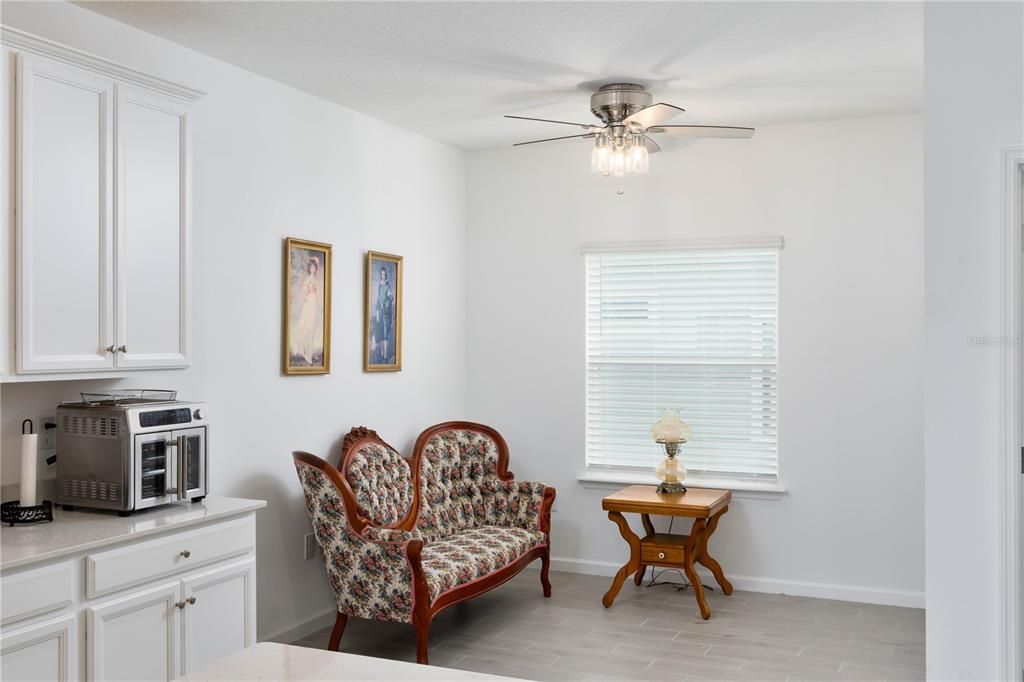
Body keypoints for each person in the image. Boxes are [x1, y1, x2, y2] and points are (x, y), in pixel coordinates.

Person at [292, 256, 322, 365]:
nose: (313, 270)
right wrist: (308, 292)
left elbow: (318, 293)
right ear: (309, 269)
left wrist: (316, 292)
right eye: (311, 268)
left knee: (312, 327)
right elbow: (303, 289)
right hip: (309, 303)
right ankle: (305, 352)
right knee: (306, 326)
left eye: (314, 268)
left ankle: (309, 353)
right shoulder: (308, 278)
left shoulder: (315, 279)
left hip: (314, 304)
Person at [372, 265, 394, 363]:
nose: (383, 276)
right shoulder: (380, 286)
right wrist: (377, 312)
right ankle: (381, 355)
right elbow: (378, 299)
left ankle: (385, 356)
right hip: (380, 314)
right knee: (380, 334)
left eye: (384, 274)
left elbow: (390, 297)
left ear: (386, 275)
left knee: (385, 335)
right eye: (381, 274)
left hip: (385, 314)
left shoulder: (387, 286)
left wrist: (385, 305)